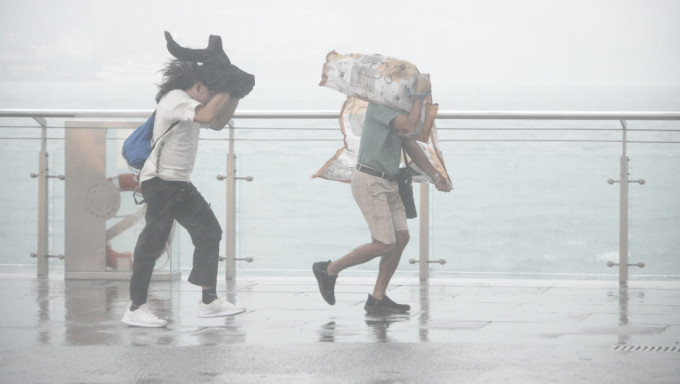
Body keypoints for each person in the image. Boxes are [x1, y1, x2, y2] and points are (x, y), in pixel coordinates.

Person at [122, 33, 254, 327]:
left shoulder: (193, 105)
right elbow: (209, 116)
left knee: (209, 232)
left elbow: (218, 123)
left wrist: (235, 94)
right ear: (197, 86)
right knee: (152, 243)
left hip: (178, 183)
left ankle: (208, 301)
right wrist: (227, 84)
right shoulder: (175, 99)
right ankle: (135, 307)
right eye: (209, 90)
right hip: (160, 183)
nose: (210, 97)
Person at [313, 74, 451, 314]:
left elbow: (410, 144)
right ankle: (329, 269)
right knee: (384, 243)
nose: (408, 94)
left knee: (401, 238)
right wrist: (420, 94)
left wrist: (435, 176)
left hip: (391, 181)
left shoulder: (397, 112)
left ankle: (377, 298)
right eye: (407, 90)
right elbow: (409, 126)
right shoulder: (380, 108)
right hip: (370, 181)